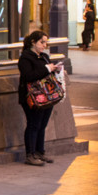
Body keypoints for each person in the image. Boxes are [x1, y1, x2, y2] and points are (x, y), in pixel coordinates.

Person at [17, 29, 62, 167]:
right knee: (33, 124)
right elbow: (28, 76)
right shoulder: (25, 57)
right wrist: (47, 69)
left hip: (46, 96)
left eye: (45, 43)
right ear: (33, 42)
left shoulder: (43, 56)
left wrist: (54, 69)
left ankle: (39, 152)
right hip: (32, 97)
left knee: (42, 125)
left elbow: (45, 72)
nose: (44, 45)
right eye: (42, 42)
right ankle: (30, 154)